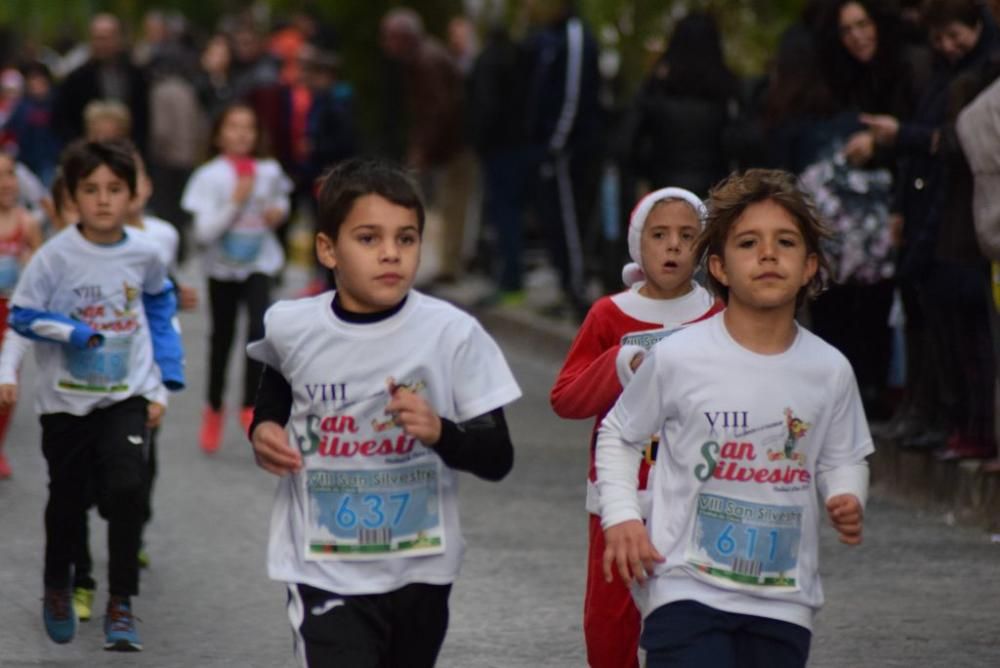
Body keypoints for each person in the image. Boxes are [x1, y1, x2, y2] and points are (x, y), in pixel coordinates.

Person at [246, 158, 522, 666]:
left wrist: (441, 432)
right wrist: (263, 426)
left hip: (420, 572)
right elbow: (280, 379)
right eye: (369, 239)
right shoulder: (292, 325)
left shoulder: (452, 333)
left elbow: (498, 456)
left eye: (407, 238)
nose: (391, 253)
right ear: (328, 249)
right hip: (323, 566)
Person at [597, 169, 872, 668]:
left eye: (785, 242)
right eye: (749, 242)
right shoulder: (680, 356)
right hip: (684, 585)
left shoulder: (829, 369)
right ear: (719, 267)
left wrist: (846, 494)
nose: (768, 254)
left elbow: (844, 455)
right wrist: (621, 517)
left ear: (809, 266)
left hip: (784, 597)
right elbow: (619, 434)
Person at [6, 139, 183, 651]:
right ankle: (58, 584)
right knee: (68, 497)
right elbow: (22, 316)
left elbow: (157, 307)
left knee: (128, 489)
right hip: (65, 402)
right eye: (91, 190)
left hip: (123, 395)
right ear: (72, 196)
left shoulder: (146, 253)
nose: (103, 200)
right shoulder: (54, 256)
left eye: (114, 189)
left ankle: (121, 602)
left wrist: (165, 374)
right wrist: (71, 332)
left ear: (132, 195)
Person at [550, 187, 722, 668]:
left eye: (687, 236)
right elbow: (566, 398)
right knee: (609, 621)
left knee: (691, 612)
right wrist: (620, 363)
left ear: (704, 247)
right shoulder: (609, 314)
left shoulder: (717, 315)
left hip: (695, 494)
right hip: (619, 493)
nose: (672, 246)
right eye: (659, 234)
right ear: (636, 244)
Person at [181, 102, 292, 453]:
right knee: (222, 338)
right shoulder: (209, 176)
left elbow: (282, 200)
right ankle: (214, 408)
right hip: (221, 269)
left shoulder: (269, 169)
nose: (242, 133)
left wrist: (279, 212)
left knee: (259, 333)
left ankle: (251, 406)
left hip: (260, 262)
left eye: (249, 127)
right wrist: (235, 202)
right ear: (218, 134)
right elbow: (202, 235)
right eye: (233, 126)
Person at [0, 151, 42, 478]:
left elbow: (43, 270)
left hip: (10, 314)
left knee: (7, 383)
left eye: (11, 174)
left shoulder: (26, 222)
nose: (6, 183)